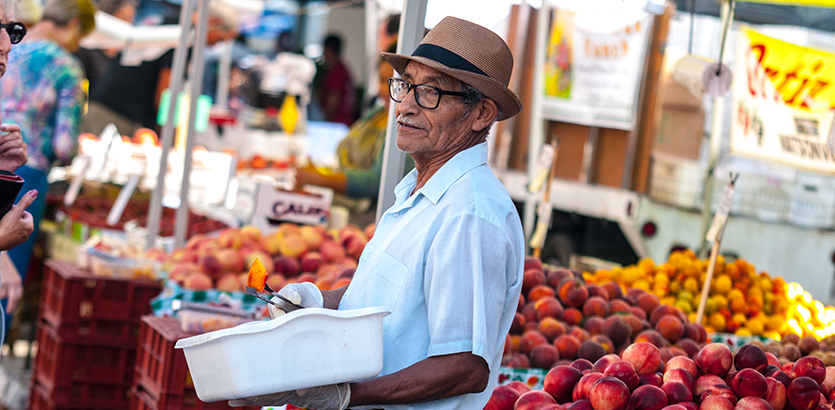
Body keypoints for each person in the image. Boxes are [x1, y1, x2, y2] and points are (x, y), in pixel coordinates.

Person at [232, 16, 524, 410]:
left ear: (481, 114)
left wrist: (350, 396)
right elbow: (387, 308)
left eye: (431, 93)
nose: (404, 106)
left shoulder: (469, 213)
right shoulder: (416, 193)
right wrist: (317, 302)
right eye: (405, 86)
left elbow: (466, 366)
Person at [0, 0, 95, 340]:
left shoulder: (17, 51)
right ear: (72, 27)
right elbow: (64, 145)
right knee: (8, 273)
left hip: (3, 156)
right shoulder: (67, 67)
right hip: (28, 172)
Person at [83, 0, 238, 136]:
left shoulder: (173, 20)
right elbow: (166, 91)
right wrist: (167, 134)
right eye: (221, 38)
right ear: (214, 22)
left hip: (108, 105)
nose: (216, 45)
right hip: (117, 114)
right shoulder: (185, 34)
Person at [294, 44, 412, 204]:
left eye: (391, 82)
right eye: (380, 80)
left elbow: (380, 181)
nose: (381, 89)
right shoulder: (377, 112)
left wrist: (321, 179)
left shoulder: (405, 125)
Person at [74, 0, 138, 95]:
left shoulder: (126, 58)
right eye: (124, 17)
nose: (128, 23)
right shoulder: (87, 49)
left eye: (131, 19)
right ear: (110, 17)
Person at [310, 33, 356, 126]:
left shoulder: (336, 73)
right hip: (345, 122)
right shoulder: (343, 68)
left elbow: (333, 101)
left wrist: (325, 121)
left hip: (337, 124)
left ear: (329, 50)